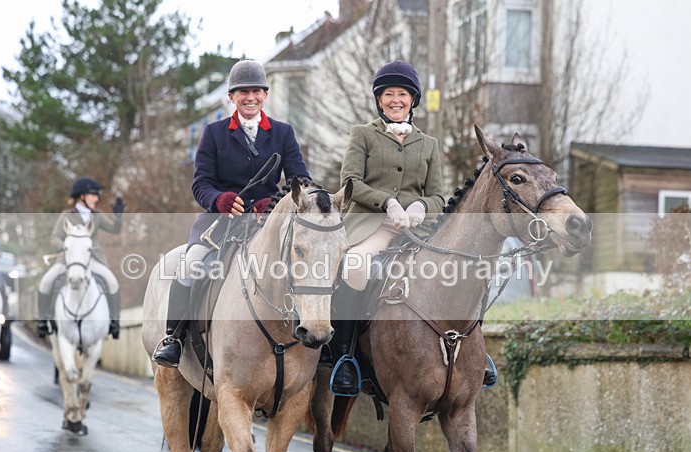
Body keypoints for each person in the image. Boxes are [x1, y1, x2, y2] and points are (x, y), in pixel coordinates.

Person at [151, 58, 310, 368]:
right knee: (191, 264)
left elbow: (301, 181)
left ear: (266, 94)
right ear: (232, 97)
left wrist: (277, 201)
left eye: (256, 91)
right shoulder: (214, 133)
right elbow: (201, 184)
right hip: (221, 222)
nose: (250, 97)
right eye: (242, 92)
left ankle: (313, 339)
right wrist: (220, 199)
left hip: (268, 223)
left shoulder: (283, 133)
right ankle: (174, 337)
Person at [328, 60, 446, 396]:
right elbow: (349, 181)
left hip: (417, 231)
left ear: (413, 100)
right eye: (389, 94)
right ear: (379, 100)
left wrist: (422, 206)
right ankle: (345, 357)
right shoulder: (363, 135)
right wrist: (388, 203)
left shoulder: (429, 145)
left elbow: (437, 195)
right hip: (372, 226)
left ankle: (474, 356)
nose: (396, 99)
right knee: (355, 265)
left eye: (403, 94)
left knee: (462, 267)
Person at [36, 177, 124, 338]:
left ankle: (114, 322)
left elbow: (114, 230)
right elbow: (54, 237)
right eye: (93, 195)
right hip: (68, 260)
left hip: (92, 260)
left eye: (97, 196)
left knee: (112, 282)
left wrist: (118, 217)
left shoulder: (96, 216)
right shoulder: (66, 215)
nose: (97, 199)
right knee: (46, 281)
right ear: (82, 196)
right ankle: (43, 320)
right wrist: (64, 246)